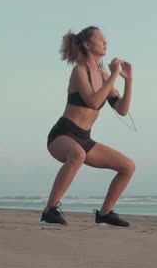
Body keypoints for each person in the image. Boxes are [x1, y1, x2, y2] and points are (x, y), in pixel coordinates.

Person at [41, 26, 135, 227]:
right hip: (62, 134)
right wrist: (113, 75)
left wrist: (128, 80)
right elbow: (93, 101)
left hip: (84, 138)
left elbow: (122, 110)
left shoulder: (103, 75)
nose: (105, 42)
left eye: (105, 38)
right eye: (100, 38)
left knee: (127, 166)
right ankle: (50, 209)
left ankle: (105, 213)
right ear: (87, 45)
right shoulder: (79, 71)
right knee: (78, 155)